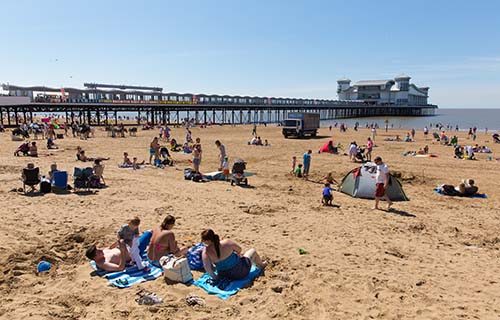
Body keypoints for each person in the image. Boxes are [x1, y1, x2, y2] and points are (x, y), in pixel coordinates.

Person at [201, 229, 266, 280]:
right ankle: (261, 265)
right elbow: (239, 250)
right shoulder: (227, 242)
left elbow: (207, 268)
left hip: (224, 275)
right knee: (252, 251)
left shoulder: (206, 252)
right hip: (241, 272)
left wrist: (216, 278)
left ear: (207, 241)